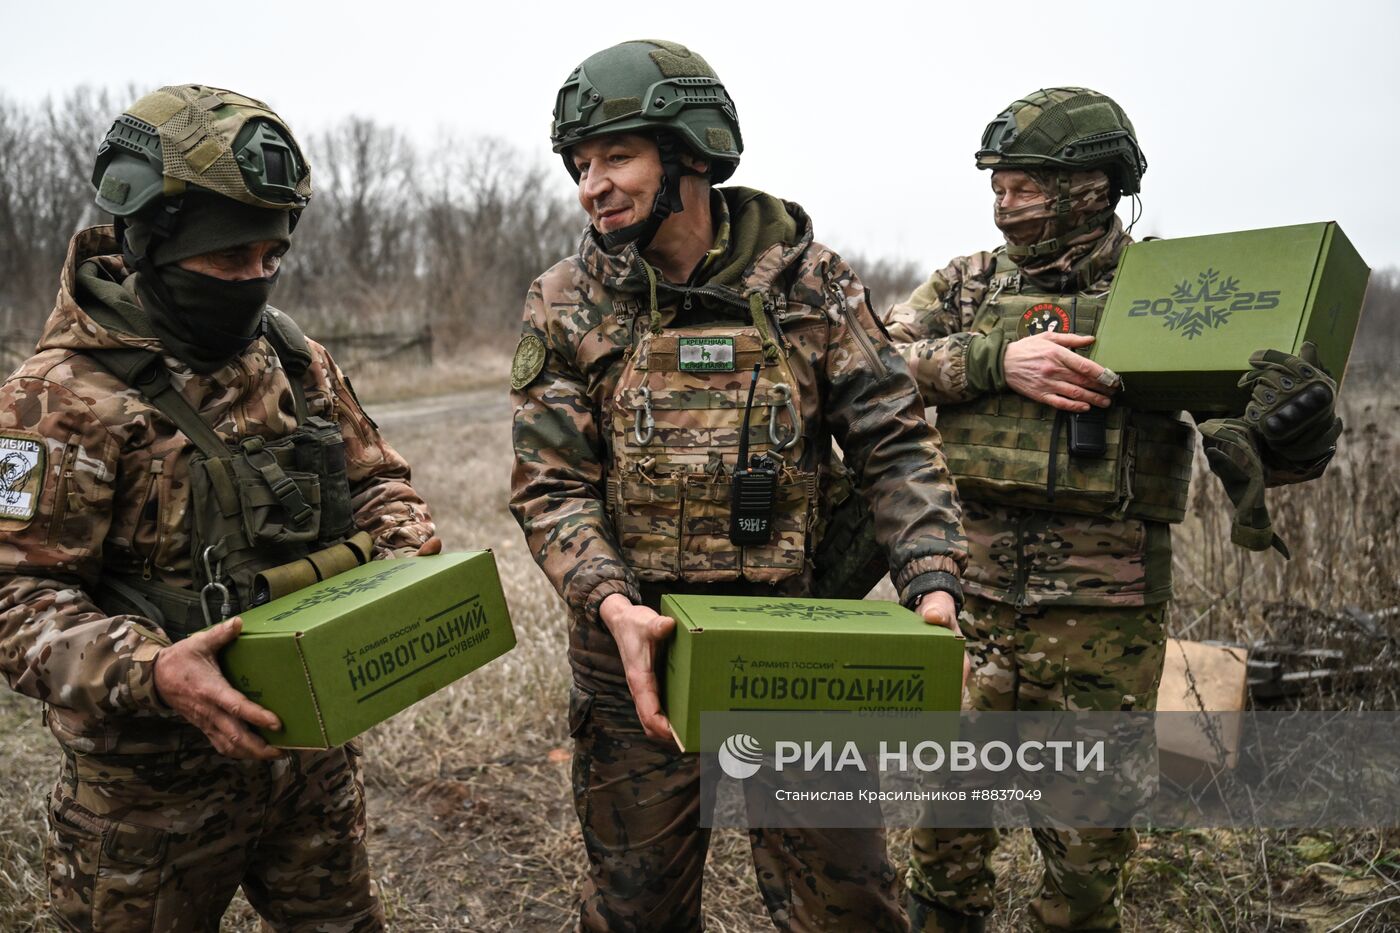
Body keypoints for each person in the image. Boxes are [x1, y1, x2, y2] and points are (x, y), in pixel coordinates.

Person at [509, 40, 968, 931]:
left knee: (851, 909)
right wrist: (611, 602)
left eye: (616, 156)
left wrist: (931, 576)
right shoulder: (566, 300)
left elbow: (893, 437)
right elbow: (549, 486)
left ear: (691, 153)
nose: (590, 185)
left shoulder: (810, 280)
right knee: (635, 912)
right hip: (635, 660)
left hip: (795, 649)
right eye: (579, 165)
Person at [881, 87, 1343, 932]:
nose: (1004, 204)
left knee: (1087, 845)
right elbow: (877, 366)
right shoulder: (970, 283)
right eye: (999, 186)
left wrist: (1297, 430)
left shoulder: (1165, 291)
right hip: (964, 596)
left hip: (1101, 615)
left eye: (1025, 186)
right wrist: (993, 359)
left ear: (1091, 185)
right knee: (946, 825)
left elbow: (1249, 442)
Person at [0, 84, 437, 930]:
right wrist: (156, 670)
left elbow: (378, 479)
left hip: (308, 756)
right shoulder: (54, 400)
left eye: (272, 256)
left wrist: (403, 550)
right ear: (149, 243)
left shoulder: (293, 355)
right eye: (229, 260)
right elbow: (13, 599)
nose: (255, 280)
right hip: (145, 803)